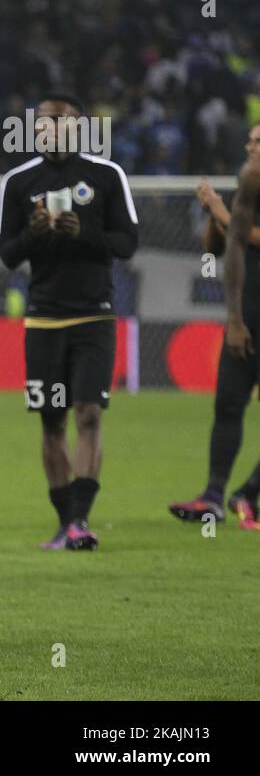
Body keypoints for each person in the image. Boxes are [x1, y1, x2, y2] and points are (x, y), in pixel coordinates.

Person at [0, 92, 138, 551]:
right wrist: (33, 233)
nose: (51, 130)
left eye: (61, 123)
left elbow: (128, 242)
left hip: (94, 316)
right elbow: (6, 254)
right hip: (43, 321)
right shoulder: (18, 182)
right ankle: (65, 523)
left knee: (89, 413)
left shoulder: (106, 175)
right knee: (52, 422)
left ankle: (79, 520)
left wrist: (86, 233)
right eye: (44, 124)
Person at [168, 129, 260, 530]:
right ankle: (213, 497)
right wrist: (213, 215)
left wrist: (219, 209)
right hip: (248, 316)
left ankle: (250, 492)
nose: (249, 147)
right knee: (227, 405)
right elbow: (220, 249)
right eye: (249, 141)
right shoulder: (249, 187)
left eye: (258, 142)